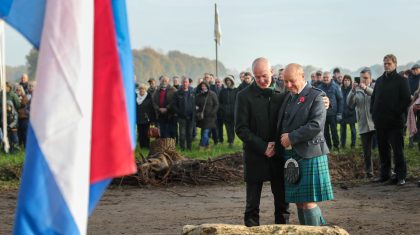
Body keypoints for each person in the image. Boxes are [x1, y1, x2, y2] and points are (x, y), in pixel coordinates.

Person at [276, 63, 333, 226]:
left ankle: (317, 231)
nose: (288, 85)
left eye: (291, 81)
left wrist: (291, 137)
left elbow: (316, 125)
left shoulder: (317, 96)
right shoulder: (289, 95)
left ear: (302, 76)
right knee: (299, 201)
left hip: (310, 153)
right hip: (292, 155)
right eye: (285, 81)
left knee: (308, 202)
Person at [235, 57, 290, 226]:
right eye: (257, 77)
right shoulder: (243, 96)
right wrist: (263, 146)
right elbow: (241, 128)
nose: (261, 80)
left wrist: (325, 100)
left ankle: (283, 230)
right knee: (252, 204)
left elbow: (305, 94)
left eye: (264, 75)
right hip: (255, 154)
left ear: (271, 71)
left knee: (282, 203)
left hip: (279, 153)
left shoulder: (284, 91)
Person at [371, 54, 411, 186]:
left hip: (395, 122)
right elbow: (374, 98)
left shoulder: (401, 80)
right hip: (380, 121)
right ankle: (385, 175)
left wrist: (396, 112)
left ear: (395, 64)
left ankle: (400, 176)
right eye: (385, 64)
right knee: (383, 150)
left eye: (389, 63)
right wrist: (373, 112)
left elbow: (406, 99)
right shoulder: (379, 80)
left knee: (398, 150)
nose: (386, 66)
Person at [347, 68, 376, 178]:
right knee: (367, 152)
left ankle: (387, 171)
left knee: (384, 149)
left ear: (370, 78)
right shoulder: (357, 90)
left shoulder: (375, 87)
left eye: (366, 78)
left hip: (376, 123)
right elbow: (349, 104)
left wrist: (366, 88)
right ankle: (370, 173)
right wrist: (352, 91)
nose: (363, 80)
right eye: (361, 78)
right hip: (363, 124)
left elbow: (377, 96)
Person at [318, 71, 343, 151]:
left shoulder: (335, 87)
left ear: (330, 78)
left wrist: (339, 113)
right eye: (324, 77)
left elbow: (340, 100)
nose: (325, 79)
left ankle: (336, 145)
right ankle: (328, 146)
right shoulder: (319, 87)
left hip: (333, 113)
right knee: (325, 132)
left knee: (334, 131)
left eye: (327, 77)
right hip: (323, 114)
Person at [173, 77, 196, 151]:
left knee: (189, 133)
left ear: (188, 83)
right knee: (182, 134)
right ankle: (182, 148)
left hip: (191, 117)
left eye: (186, 82)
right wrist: (179, 112)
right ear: (181, 83)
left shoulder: (193, 92)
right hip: (181, 117)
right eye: (183, 82)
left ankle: (189, 148)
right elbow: (174, 105)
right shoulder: (177, 93)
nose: (185, 83)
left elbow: (196, 103)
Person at [195, 81, 218, 150]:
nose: (203, 87)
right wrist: (196, 110)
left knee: (205, 131)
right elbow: (196, 105)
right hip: (202, 117)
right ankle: (207, 146)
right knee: (204, 131)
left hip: (210, 117)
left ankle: (201, 146)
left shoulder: (212, 94)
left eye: (204, 86)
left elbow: (216, 104)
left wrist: (213, 112)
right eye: (202, 86)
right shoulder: (199, 95)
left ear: (207, 86)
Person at [219, 76, 237, 148]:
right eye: (227, 80)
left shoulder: (236, 90)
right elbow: (219, 101)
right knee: (228, 128)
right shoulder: (223, 91)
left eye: (229, 80)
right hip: (225, 113)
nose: (228, 81)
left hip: (234, 113)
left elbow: (238, 101)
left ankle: (232, 140)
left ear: (232, 81)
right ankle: (230, 142)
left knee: (234, 128)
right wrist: (222, 109)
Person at [136, 83, 155, 149]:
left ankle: (147, 146)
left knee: (146, 133)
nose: (142, 90)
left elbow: (152, 109)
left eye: (143, 89)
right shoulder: (136, 97)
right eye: (140, 89)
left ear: (145, 90)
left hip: (146, 118)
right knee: (140, 133)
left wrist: (152, 120)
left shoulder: (148, 97)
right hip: (138, 118)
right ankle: (142, 146)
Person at [340, 75, 357, 148]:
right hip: (343, 113)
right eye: (345, 80)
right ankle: (343, 145)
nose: (346, 82)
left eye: (348, 80)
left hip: (351, 113)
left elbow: (355, 102)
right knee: (342, 130)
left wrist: (351, 110)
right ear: (343, 81)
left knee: (353, 130)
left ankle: (353, 144)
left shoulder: (353, 90)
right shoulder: (340, 89)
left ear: (351, 81)